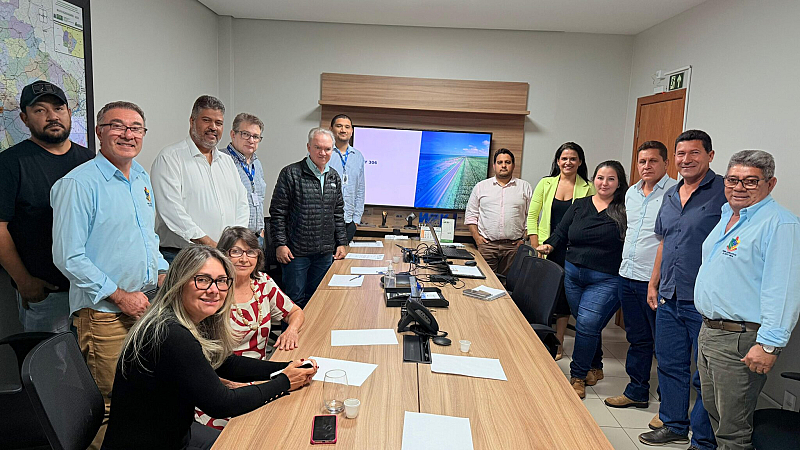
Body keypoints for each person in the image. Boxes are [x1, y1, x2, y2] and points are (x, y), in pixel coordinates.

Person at [102, 245, 317, 450]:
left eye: (221, 281)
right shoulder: (170, 333)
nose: (214, 290)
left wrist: (287, 367)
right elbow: (222, 403)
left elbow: (225, 362)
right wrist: (284, 382)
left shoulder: (186, 319)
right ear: (179, 282)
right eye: (202, 280)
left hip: (175, 433)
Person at [50, 101, 168, 449]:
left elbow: (148, 238)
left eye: (136, 128)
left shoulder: (141, 177)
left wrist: (163, 273)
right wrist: (119, 295)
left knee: (144, 394)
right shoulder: (79, 184)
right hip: (105, 314)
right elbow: (68, 257)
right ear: (99, 132)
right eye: (117, 126)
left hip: (145, 306)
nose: (128, 134)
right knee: (110, 406)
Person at [695, 150, 800, 450]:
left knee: (733, 429)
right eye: (733, 179)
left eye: (750, 181)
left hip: (740, 339)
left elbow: (784, 289)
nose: (739, 187)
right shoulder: (728, 215)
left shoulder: (780, 224)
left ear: (771, 183)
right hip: (710, 331)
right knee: (716, 414)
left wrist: (769, 345)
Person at [638, 130, 724, 449]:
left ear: (710, 156)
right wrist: (654, 282)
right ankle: (674, 424)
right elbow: (664, 242)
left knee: (705, 375)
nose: (686, 160)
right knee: (670, 364)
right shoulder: (671, 195)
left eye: (694, 153)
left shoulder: (724, 192)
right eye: (681, 154)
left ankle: (702, 440)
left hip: (705, 300)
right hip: (669, 295)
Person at [0, 80, 93, 332]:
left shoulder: (90, 160)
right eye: (40, 110)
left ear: (69, 113)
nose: (52, 116)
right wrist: (24, 281)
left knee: (93, 355)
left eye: (58, 108)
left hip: (90, 288)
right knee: (51, 356)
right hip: (46, 293)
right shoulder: (10, 163)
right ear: (24, 118)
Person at [196, 226, 306, 429]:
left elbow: (295, 312)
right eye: (236, 252)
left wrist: (291, 330)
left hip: (261, 374)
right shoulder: (214, 292)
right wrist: (229, 384)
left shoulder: (263, 283)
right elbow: (205, 362)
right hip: (223, 386)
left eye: (251, 252)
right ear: (223, 255)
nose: (244, 259)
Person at [537, 161, 628, 399]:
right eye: (600, 177)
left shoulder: (625, 209)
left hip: (607, 279)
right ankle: (595, 367)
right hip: (574, 276)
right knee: (589, 325)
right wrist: (549, 245)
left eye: (610, 179)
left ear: (619, 183)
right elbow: (561, 231)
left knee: (586, 324)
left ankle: (577, 376)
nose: (604, 183)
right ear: (593, 180)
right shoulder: (580, 205)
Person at [604, 141, 677, 409]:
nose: (647, 166)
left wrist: (656, 281)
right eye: (642, 161)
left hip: (656, 281)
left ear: (666, 163)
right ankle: (637, 391)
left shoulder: (675, 192)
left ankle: (670, 406)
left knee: (665, 346)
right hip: (628, 275)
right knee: (637, 339)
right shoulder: (631, 193)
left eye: (653, 161)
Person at [151, 95, 249, 262]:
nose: (213, 127)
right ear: (192, 121)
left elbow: (242, 204)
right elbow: (172, 211)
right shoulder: (170, 158)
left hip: (223, 255)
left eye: (218, 123)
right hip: (183, 256)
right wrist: (210, 245)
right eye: (206, 120)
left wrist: (234, 243)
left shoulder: (227, 162)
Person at [527, 142, 595, 359]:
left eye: (573, 158)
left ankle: (558, 341)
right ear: (557, 161)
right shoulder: (546, 183)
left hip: (572, 251)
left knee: (564, 298)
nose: (568, 162)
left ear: (580, 162)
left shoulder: (588, 187)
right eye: (564, 158)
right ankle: (541, 337)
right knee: (543, 294)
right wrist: (536, 246)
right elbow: (532, 216)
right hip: (545, 248)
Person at [269, 127, 347, 308]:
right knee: (294, 301)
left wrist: (341, 242)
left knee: (318, 301)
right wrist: (280, 244)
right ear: (308, 147)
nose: (322, 153)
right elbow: (278, 212)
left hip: (324, 253)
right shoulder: (291, 173)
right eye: (318, 147)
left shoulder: (334, 176)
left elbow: (338, 212)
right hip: (296, 253)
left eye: (327, 149)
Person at [464, 148, 532, 275]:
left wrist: (524, 239)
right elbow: (471, 215)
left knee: (509, 282)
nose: (504, 165)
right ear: (494, 166)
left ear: (513, 165)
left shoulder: (524, 187)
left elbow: (532, 217)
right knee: (486, 281)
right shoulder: (481, 187)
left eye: (507, 162)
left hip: (514, 248)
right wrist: (477, 238)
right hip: (487, 246)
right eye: (500, 162)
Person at [223, 113, 268, 243]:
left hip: (256, 237)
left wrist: (261, 230)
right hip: (233, 239)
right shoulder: (221, 160)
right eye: (246, 134)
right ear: (233, 134)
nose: (251, 140)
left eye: (256, 136)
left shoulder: (256, 164)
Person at [328, 114, 365, 243]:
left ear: (351, 131)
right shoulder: (324, 154)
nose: (343, 130)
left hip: (348, 221)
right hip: (325, 221)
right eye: (339, 126)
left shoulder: (358, 156)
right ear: (331, 129)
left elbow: (360, 189)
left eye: (347, 127)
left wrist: (356, 220)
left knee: (342, 254)